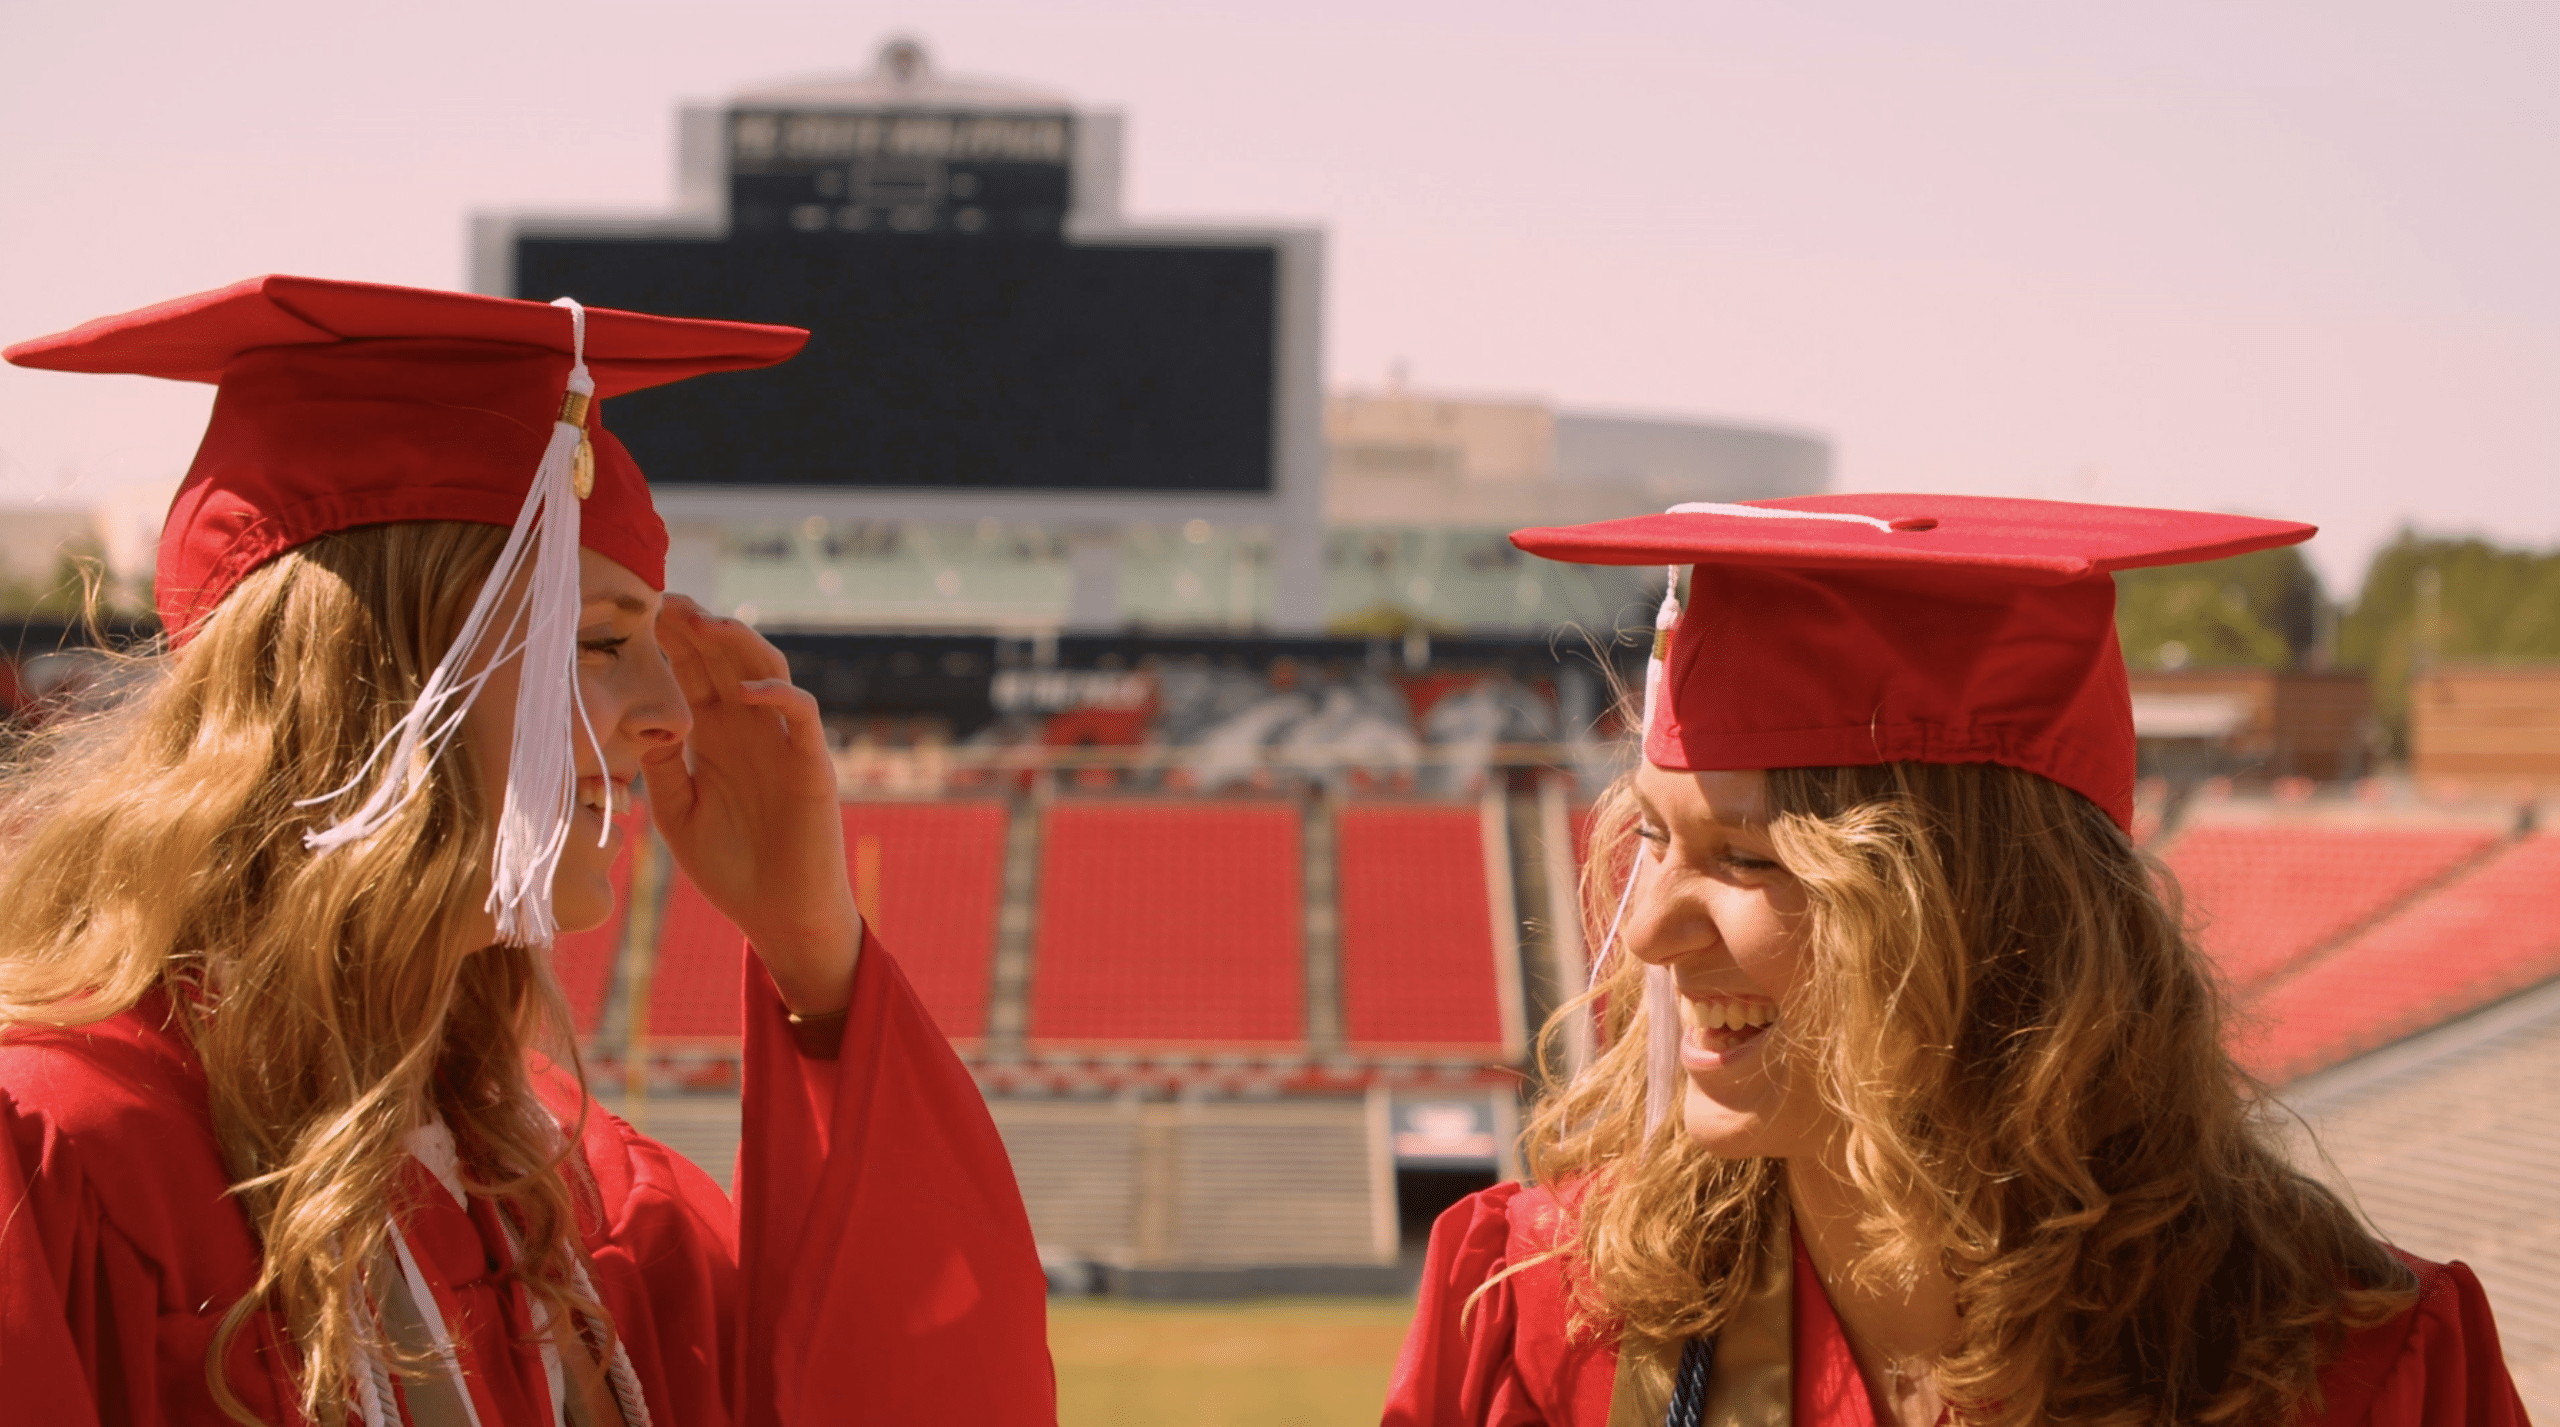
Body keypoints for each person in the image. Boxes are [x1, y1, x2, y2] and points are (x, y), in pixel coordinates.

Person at [0, 276, 1054, 1426]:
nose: (671, 715)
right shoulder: (54, 1158)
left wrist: (816, 953)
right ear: (377, 685)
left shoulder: (571, 1189)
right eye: (601, 641)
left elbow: (913, 1385)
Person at [1382, 496, 2529, 1427]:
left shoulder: (2359, 1372)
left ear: (1975, 917)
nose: (1643, 932)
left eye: (1744, 857)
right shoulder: (1539, 1322)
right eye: (1649, 835)